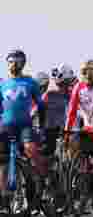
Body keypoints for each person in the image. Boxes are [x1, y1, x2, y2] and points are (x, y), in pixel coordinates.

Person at [0, 49, 46, 188]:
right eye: (10, 62)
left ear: (22, 64)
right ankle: (3, 197)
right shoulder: (3, 85)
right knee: (2, 161)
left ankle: (43, 178)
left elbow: (41, 105)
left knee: (29, 149)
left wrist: (42, 126)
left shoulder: (30, 82)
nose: (13, 65)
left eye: (16, 62)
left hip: (24, 126)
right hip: (6, 127)